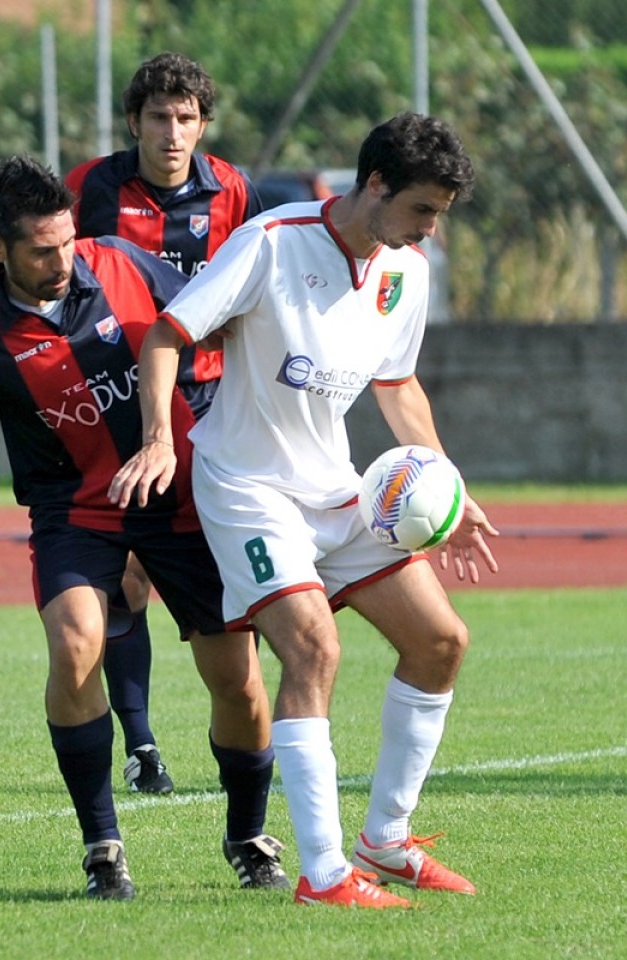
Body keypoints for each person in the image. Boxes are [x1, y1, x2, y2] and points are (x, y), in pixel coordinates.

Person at [110, 113, 500, 909]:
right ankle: (324, 875)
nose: (430, 229)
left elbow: (397, 385)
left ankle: (384, 841)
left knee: (441, 641)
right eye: (423, 210)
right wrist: (158, 441)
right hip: (248, 489)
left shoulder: (405, 270)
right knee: (313, 649)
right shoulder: (273, 241)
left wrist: (449, 487)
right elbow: (165, 335)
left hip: (336, 491)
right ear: (378, 185)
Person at [0, 155, 287, 900]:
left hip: (182, 497)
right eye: (40, 248)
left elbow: (213, 319)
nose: (62, 259)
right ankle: (103, 847)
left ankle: (248, 835)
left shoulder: (122, 264)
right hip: (74, 512)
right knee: (73, 649)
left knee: (238, 680)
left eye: (66, 241)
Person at [64, 52, 263, 795]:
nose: (171, 132)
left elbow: (253, 279)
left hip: (211, 402)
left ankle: (247, 724)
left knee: (221, 572)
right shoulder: (95, 187)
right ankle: (141, 742)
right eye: (158, 117)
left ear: (203, 125)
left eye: (185, 119)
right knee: (128, 572)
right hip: (122, 403)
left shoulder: (232, 189)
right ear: (134, 122)